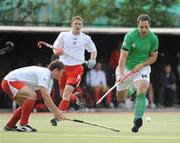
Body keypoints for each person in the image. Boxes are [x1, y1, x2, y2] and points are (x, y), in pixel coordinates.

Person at [115, 14, 159, 133]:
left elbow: (153, 57)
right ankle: (131, 91)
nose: (144, 30)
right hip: (126, 68)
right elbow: (123, 57)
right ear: (137, 25)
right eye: (141, 27)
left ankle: (137, 120)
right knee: (120, 98)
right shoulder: (129, 36)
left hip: (142, 68)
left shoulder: (153, 38)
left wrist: (142, 65)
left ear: (149, 26)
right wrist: (122, 74)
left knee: (143, 90)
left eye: (146, 27)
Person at [51, 16, 97, 124]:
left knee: (66, 92)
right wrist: (58, 52)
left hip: (76, 69)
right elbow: (54, 49)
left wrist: (93, 59)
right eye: (76, 24)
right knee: (63, 95)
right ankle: (75, 98)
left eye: (79, 24)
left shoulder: (85, 38)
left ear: (82, 26)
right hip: (62, 68)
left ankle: (58, 117)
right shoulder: (63, 35)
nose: (77, 26)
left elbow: (93, 50)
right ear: (72, 24)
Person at [1, 60, 65, 132]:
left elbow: (47, 101)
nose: (62, 75)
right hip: (9, 81)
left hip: (12, 83)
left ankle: (10, 125)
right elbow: (45, 96)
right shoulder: (45, 73)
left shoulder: (50, 80)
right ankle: (22, 125)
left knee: (26, 104)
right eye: (62, 72)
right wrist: (56, 111)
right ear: (56, 70)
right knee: (32, 95)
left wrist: (55, 113)